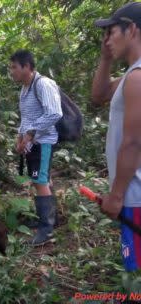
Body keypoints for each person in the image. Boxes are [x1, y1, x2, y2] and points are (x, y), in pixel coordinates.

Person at [92, 2, 141, 272]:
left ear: (131, 29)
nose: (107, 39)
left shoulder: (137, 78)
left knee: (136, 276)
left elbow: (134, 142)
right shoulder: (131, 76)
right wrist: (106, 58)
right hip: (133, 195)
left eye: (111, 32)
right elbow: (98, 95)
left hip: (136, 196)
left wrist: (117, 195)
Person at [9, 50, 62, 246]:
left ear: (27, 67)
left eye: (14, 67)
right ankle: (47, 217)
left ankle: (46, 229)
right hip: (33, 143)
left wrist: (31, 134)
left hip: (44, 141)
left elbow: (54, 113)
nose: (11, 72)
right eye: (11, 67)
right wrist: (20, 137)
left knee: (40, 181)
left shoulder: (43, 84)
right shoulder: (25, 88)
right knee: (40, 180)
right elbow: (26, 117)